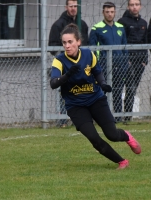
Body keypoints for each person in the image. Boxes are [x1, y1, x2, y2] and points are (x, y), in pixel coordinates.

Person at [50, 23, 141, 169]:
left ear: (78, 42)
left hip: (96, 100)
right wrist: (67, 75)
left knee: (112, 134)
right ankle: (122, 162)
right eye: (64, 43)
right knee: (94, 138)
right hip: (76, 106)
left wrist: (102, 83)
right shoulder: (59, 61)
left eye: (70, 42)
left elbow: (97, 71)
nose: (67, 46)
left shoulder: (88, 54)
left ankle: (127, 136)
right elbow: (53, 83)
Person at [48, 0, 89, 127]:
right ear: (66, 7)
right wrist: (65, 55)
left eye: (75, 6)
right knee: (64, 92)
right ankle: (63, 120)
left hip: (80, 65)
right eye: (71, 6)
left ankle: (82, 118)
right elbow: (52, 47)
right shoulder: (58, 25)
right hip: (65, 66)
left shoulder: (82, 24)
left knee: (83, 90)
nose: (73, 8)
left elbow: (86, 45)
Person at [89, 2, 128, 123]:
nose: (110, 14)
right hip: (103, 67)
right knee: (101, 93)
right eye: (107, 12)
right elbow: (93, 49)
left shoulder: (120, 28)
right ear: (103, 12)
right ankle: (100, 118)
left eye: (112, 12)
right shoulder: (96, 28)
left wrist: (125, 63)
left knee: (117, 91)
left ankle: (117, 117)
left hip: (119, 66)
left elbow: (124, 47)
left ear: (115, 12)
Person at [117, 0, 148, 123]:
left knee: (132, 88)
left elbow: (145, 42)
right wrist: (125, 59)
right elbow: (120, 42)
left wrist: (145, 60)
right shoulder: (122, 22)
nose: (134, 7)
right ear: (128, 6)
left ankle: (128, 116)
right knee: (122, 87)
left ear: (140, 6)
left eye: (136, 5)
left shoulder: (143, 23)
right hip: (126, 61)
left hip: (140, 61)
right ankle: (118, 115)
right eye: (132, 5)